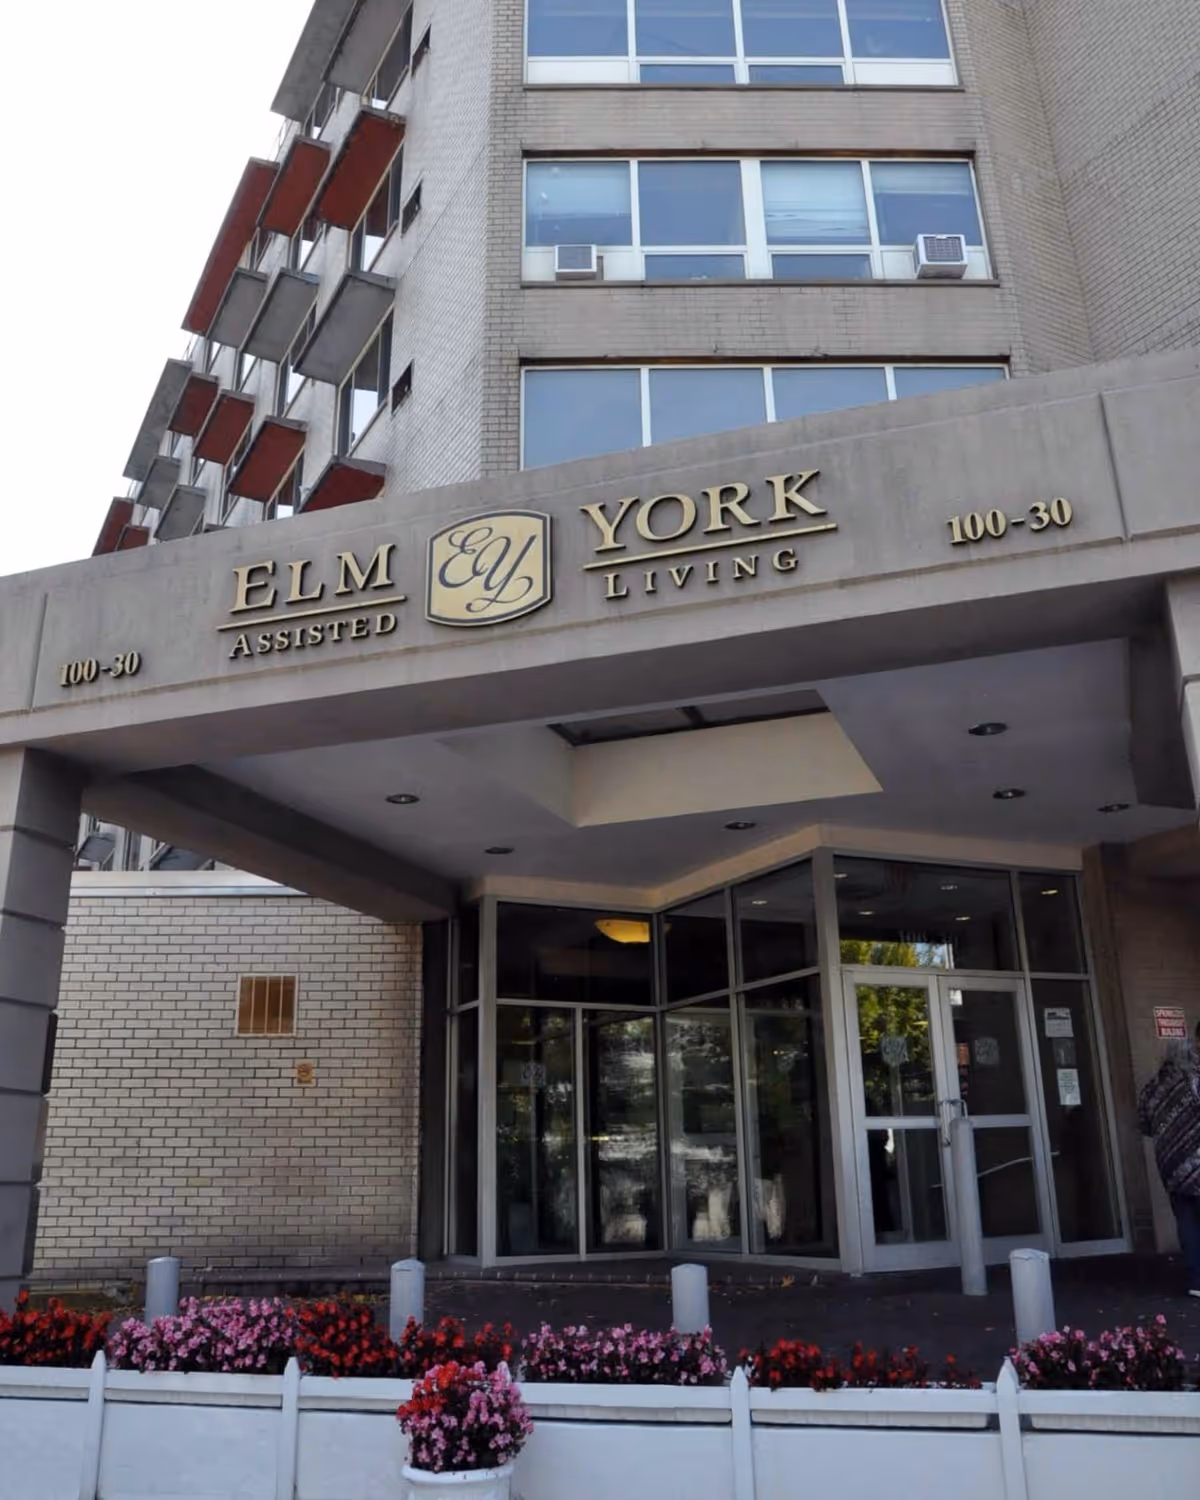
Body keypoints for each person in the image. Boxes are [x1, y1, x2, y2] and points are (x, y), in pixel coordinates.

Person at [1138, 1027, 1200, 1296]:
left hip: (1170, 1166)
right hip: (1197, 1163)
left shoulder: (1152, 1087)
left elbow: (1145, 1125)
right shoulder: (1194, 1081)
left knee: (1186, 1223)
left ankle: (1197, 1281)